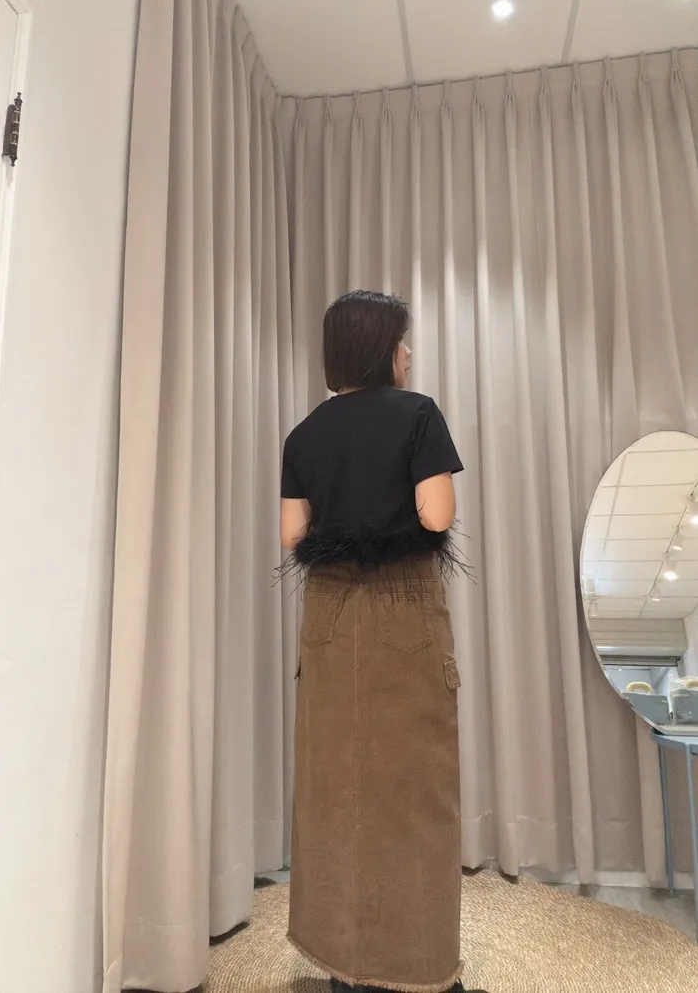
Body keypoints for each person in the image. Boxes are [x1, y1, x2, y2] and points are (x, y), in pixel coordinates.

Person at [280, 291, 486, 993]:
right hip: (402, 609)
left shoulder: (303, 434)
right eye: (403, 342)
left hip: (329, 616)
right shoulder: (417, 413)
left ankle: (343, 963)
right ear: (382, 349)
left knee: (334, 787)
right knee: (416, 790)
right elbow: (437, 515)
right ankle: (419, 968)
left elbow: (293, 536)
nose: (409, 354)